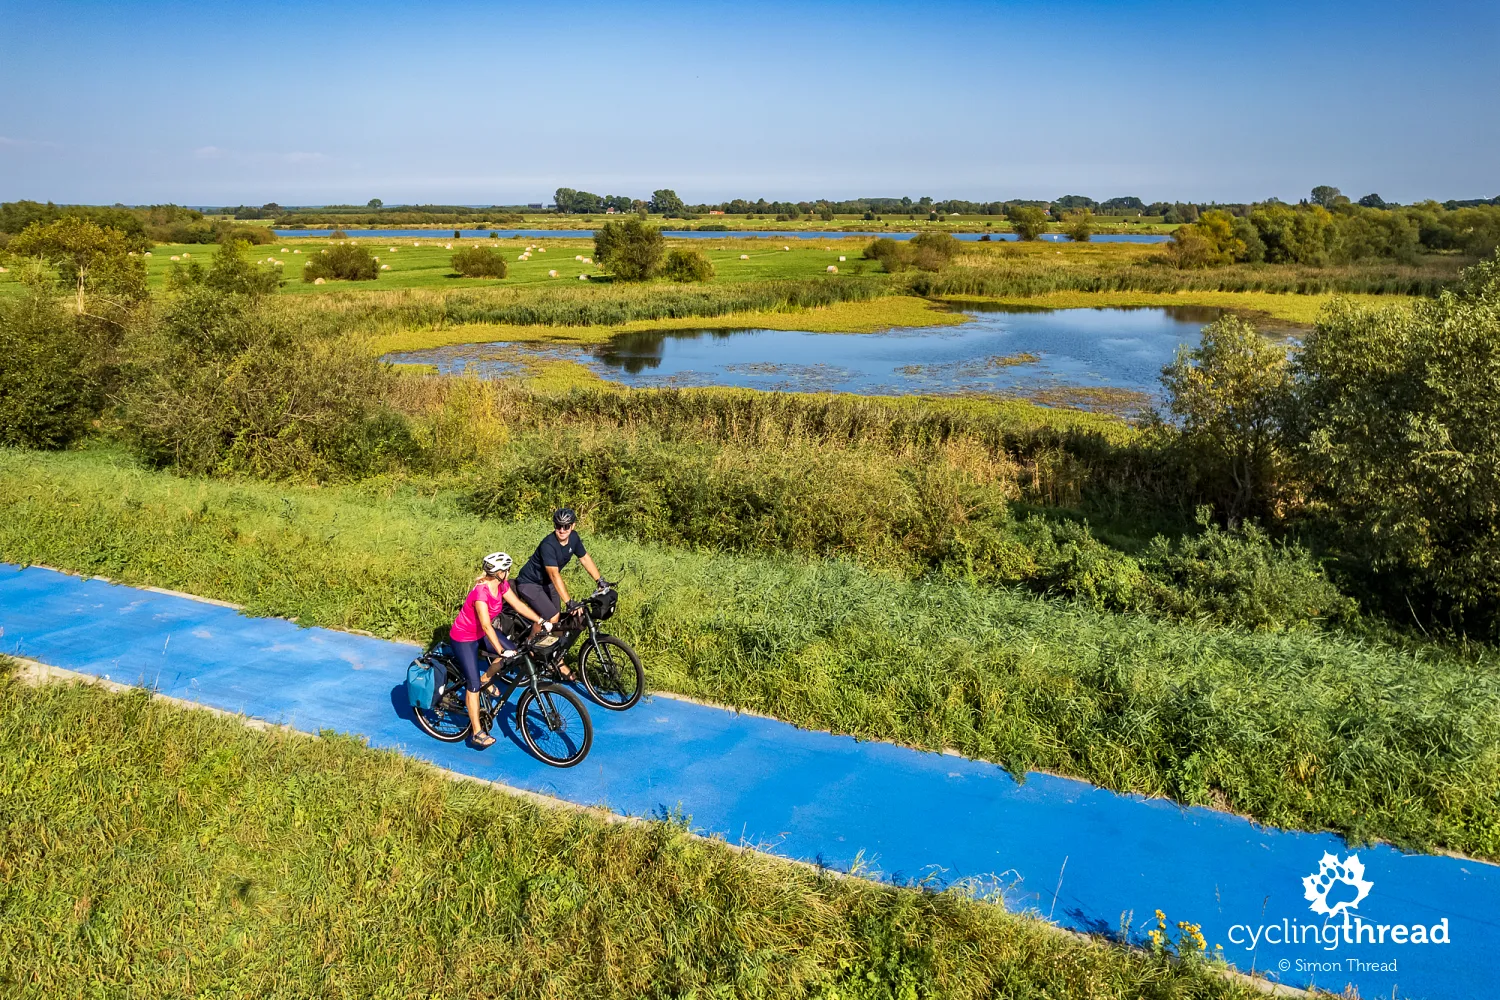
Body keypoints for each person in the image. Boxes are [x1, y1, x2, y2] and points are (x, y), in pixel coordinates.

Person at [450, 551, 550, 748]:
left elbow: (518, 605)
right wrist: (499, 650)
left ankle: (485, 679)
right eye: (507, 569)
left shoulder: (502, 585)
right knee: (473, 686)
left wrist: (540, 620)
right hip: (464, 637)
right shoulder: (481, 593)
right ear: (499, 572)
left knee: (512, 653)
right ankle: (477, 733)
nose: (509, 572)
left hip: (480, 634)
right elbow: (487, 626)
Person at [514, 508, 608, 624]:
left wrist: (599, 580)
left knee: (557, 618)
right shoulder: (548, 545)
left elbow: (584, 558)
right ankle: (530, 640)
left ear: (573, 526)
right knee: (551, 616)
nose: (562, 530)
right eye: (558, 526)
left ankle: (550, 639)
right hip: (529, 583)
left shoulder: (574, 538)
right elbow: (554, 575)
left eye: (566, 526)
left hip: (547, 583)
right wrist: (569, 602)